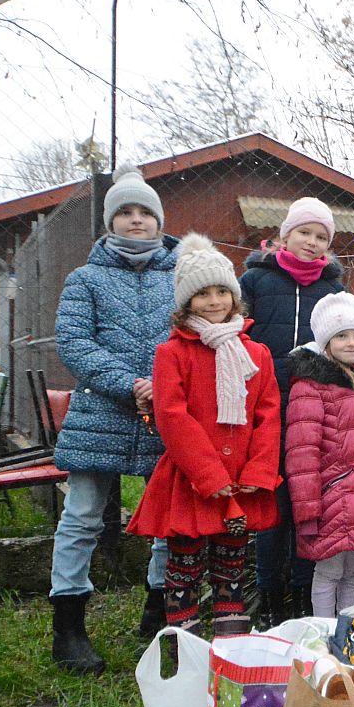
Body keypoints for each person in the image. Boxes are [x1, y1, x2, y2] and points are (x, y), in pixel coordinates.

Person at [48, 172, 176, 674]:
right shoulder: (84, 279)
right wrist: (130, 383)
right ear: (111, 222)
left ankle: (161, 605)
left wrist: (164, 386)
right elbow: (75, 343)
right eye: (126, 212)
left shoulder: (180, 277)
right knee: (82, 515)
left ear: (159, 222)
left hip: (166, 415)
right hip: (100, 411)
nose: (136, 219)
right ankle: (69, 624)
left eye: (145, 213)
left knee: (167, 516)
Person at [127, 235, 281, 637]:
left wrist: (259, 470)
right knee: (185, 564)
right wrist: (208, 475)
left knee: (232, 562)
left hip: (242, 482)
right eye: (203, 294)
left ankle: (233, 644)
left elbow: (268, 413)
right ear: (185, 302)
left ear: (234, 297)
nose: (214, 302)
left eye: (222, 292)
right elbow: (172, 416)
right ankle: (185, 644)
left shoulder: (257, 354)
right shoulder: (172, 354)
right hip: (195, 482)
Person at [239, 197, 345, 623]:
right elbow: (237, 333)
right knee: (274, 506)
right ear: (285, 235)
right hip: (265, 408)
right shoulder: (255, 281)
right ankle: (268, 594)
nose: (312, 242)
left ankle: (303, 591)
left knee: (308, 503)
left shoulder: (333, 290)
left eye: (321, 237)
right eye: (304, 232)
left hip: (314, 411)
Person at [283, 292, 354, 618]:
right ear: (326, 340)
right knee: (329, 572)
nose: (352, 342)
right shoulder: (311, 384)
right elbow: (301, 452)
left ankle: (347, 634)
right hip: (332, 496)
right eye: (342, 335)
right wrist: (307, 510)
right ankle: (323, 632)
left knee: (353, 572)